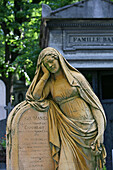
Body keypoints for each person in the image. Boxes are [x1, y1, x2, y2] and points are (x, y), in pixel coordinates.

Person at [26, 47, 106, 170]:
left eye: (52, 61)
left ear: (59, 59)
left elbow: (95, 105)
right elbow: (35, 97)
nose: (50, 65)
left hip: (88, 129)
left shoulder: (76, 78)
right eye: (46, 64)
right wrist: (45, 75)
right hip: (68, 130)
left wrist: (100, 132)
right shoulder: (51, 84)